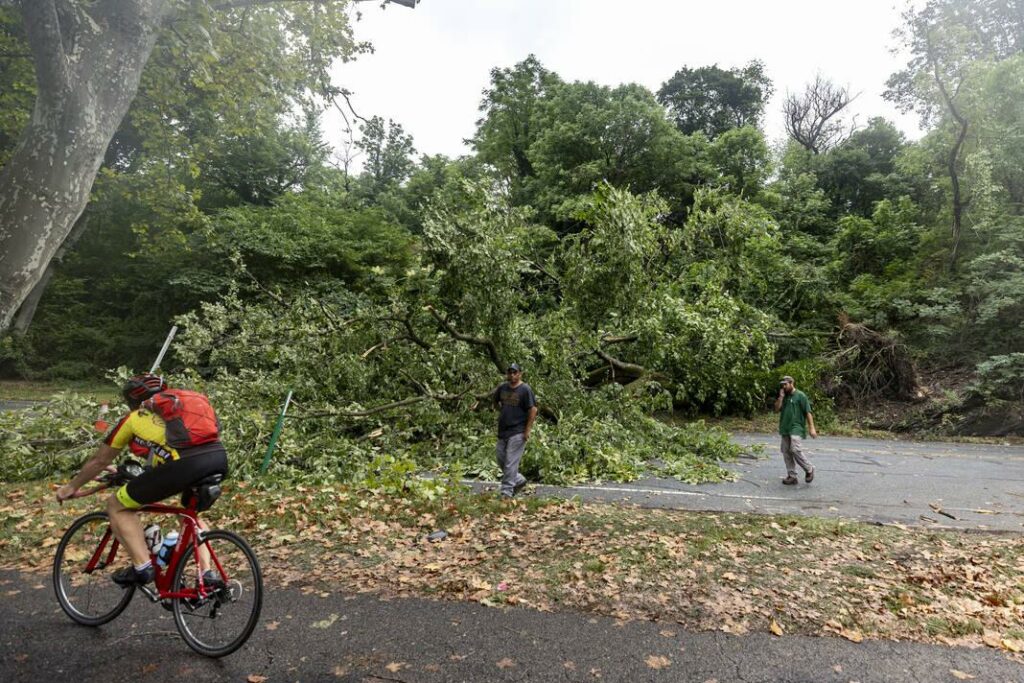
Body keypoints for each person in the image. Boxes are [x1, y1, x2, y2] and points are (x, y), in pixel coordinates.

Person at [56, 373, 229, 585]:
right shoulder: (179, 411)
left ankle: (143, 568)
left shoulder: (134, 417)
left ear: (132, 400)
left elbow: (99, 461)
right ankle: (207, 575)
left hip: (185, 465)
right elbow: (163, 453)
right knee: (189, 515)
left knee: (117, 505)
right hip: (217, 458)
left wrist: (71, 487)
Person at [492, 363, 538, 498]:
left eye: (515, 373)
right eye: (510, 373)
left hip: (518, 431)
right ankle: (518, 480)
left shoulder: (525, 389)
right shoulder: (502, 387)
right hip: (503, 431)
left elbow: (533, 409)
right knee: (501, 459)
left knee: (511, 462)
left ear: (520, 374)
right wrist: (503, 412)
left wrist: (527, 430)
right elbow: (495, 401)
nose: (512, 375)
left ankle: (506, 493)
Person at [774, 375, 817, 485]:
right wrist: (781, 397)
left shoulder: (801, 396)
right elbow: (777, 409)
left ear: (791, 383)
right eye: (782, 385)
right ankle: (792, 476)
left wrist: (811, 428)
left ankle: (809, 469)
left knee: (795, 449)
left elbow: (808, 412)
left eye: (785, 384)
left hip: (796, 427)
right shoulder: (784, 396)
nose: (783, 386)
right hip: (785, 427)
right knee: (786, 451)